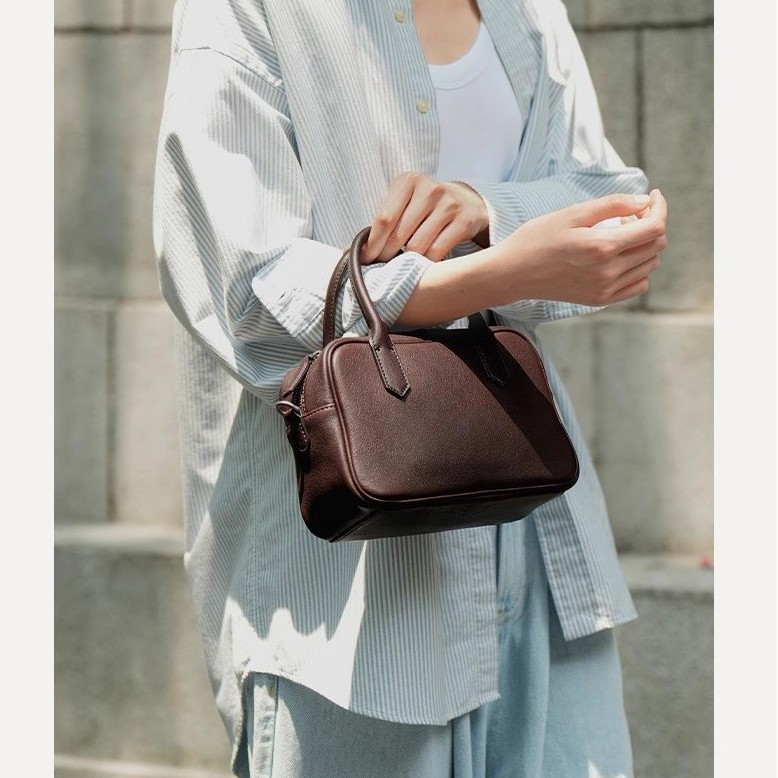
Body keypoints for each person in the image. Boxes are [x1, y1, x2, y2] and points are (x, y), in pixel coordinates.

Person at [152, 0, 668, 775]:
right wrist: (493, 274)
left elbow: (609, 199)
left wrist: (488, 211)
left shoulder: (530, 11)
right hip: (348, 580)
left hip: (534, 533)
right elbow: (243, 285)